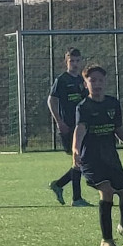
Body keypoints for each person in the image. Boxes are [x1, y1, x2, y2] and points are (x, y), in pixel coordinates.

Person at [72, 64, 123, 246]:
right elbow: (80, 130)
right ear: (85, 83)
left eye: (100, 80)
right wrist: (75, 150)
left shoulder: (112, 103)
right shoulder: (83, 107)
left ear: (106, 82)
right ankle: (106, 240)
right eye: (92, 80)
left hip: (110, 157)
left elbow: (118, 128)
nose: (97, 84)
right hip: (91, 159)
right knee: (106, 191)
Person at [47, 47, 91, 207]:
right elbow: (51, 101)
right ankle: (75, 197)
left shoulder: (81, 80)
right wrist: (59, 121)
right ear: (66, 62)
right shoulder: (62, 80)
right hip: (68, 126)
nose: (75, 64)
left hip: (81, 126)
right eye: (71, 61)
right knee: (78, 159)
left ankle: (61, 186)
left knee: (80, 160)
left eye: (77, 61)